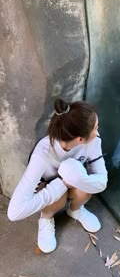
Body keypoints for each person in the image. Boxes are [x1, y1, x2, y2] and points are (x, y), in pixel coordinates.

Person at [7, 98, 108, 254]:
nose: (97, 132)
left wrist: (81, 179)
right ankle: (46, 218)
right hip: (51, 188)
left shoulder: (94, 141)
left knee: (84, 185)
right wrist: (61, 183)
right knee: (59, 195)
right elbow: (14, 212)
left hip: (74, 181)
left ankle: (76, 210)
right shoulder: (42, 153)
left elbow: (102, 180)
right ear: (80, 139)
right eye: (96, 128)